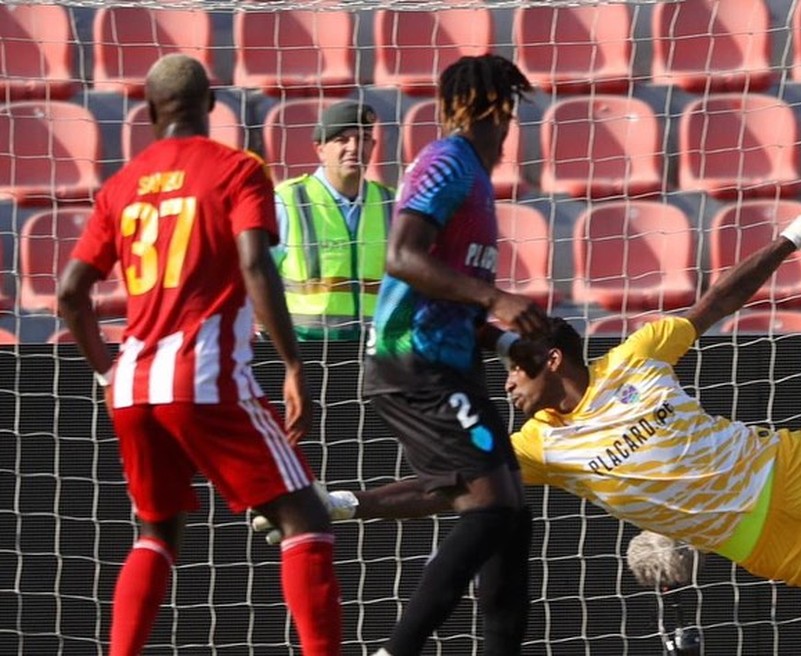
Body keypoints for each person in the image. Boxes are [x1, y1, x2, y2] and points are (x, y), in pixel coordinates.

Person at [259, 173, 801, 623]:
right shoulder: (536, 449)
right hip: (775, 545)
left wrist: (797, 233)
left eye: (513, 372)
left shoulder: (639, 354)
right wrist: (347, 504)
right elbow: (443, 488)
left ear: (550, 359)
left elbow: (716, 302)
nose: (505, 385)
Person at [57, 54, 341, 655]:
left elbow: (69, 293)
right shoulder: (237, 169)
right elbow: (254, 262)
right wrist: (292, 364)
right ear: (211, 104)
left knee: (156, 532)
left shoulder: (120, 186)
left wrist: (106, 371)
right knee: (306, 518)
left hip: (132, 383)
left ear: (148, 111)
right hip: (203, 375)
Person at [361, 54, 549, 656]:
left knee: (512, 514)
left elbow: (453, 299)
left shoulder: (475, 181)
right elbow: (401, 258)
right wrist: (496, 298)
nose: (509, 125)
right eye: (507, 111)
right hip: (413, 362)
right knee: (489, 509)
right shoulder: (445, 161)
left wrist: (507, 341)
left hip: (451, 365)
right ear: (497, 110)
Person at [272, 100, 394, 341]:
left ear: (373, 146)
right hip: (305, 346)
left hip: (373, 347)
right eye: (342, 140)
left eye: (363, 139)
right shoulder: (287, 201)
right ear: (320, 149)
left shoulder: (390, 203)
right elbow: (256, 277)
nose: (354, 147)